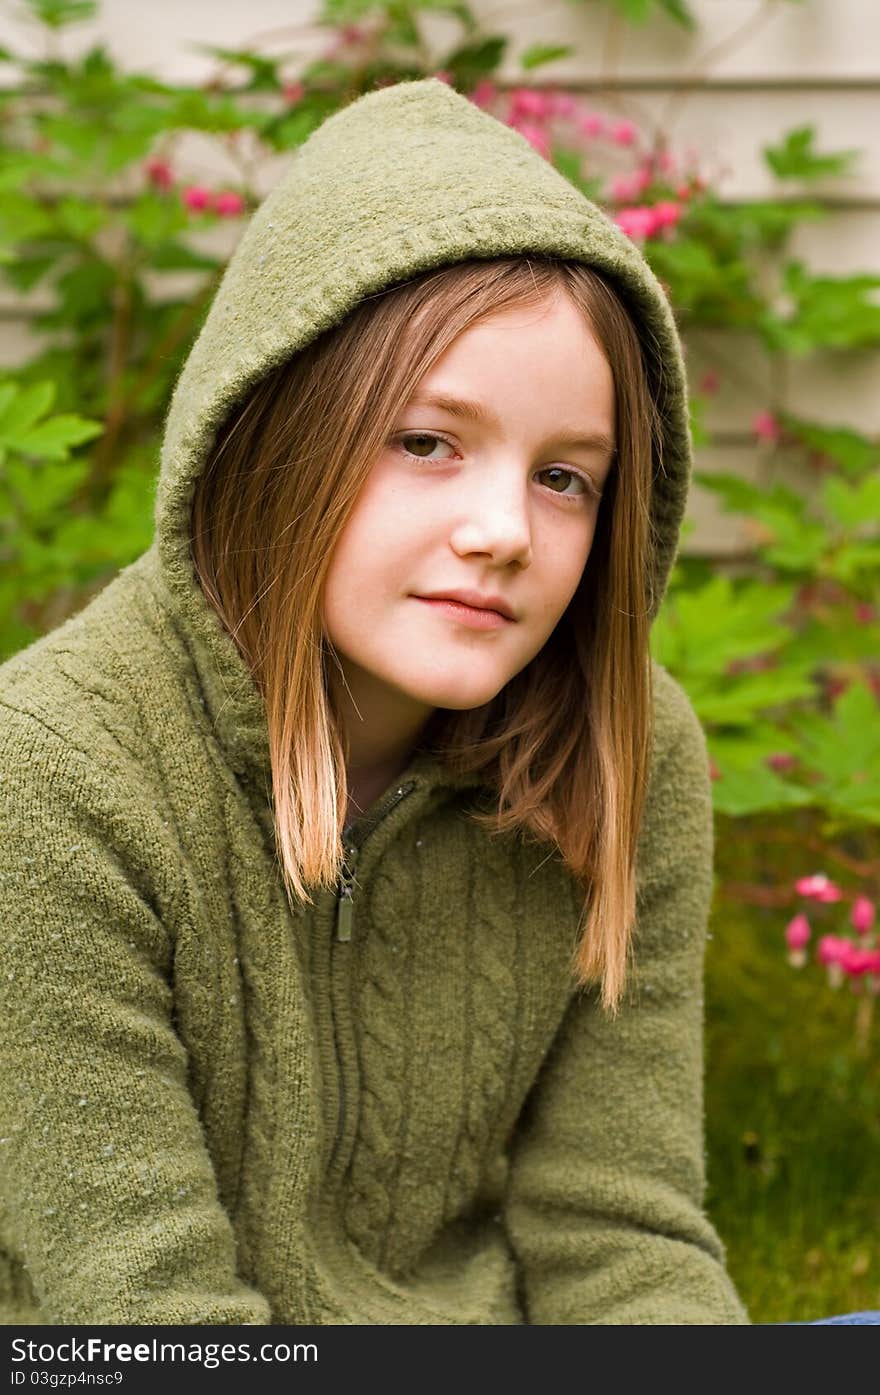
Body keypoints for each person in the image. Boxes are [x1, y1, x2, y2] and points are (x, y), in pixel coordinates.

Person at [0, 76, 750, 1325]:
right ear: (272, 432)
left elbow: (622, 1231)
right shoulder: (49, 776)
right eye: (427, 443)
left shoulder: (623, 754)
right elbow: (146, 1314)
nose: (504, 530)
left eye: (565, 477)